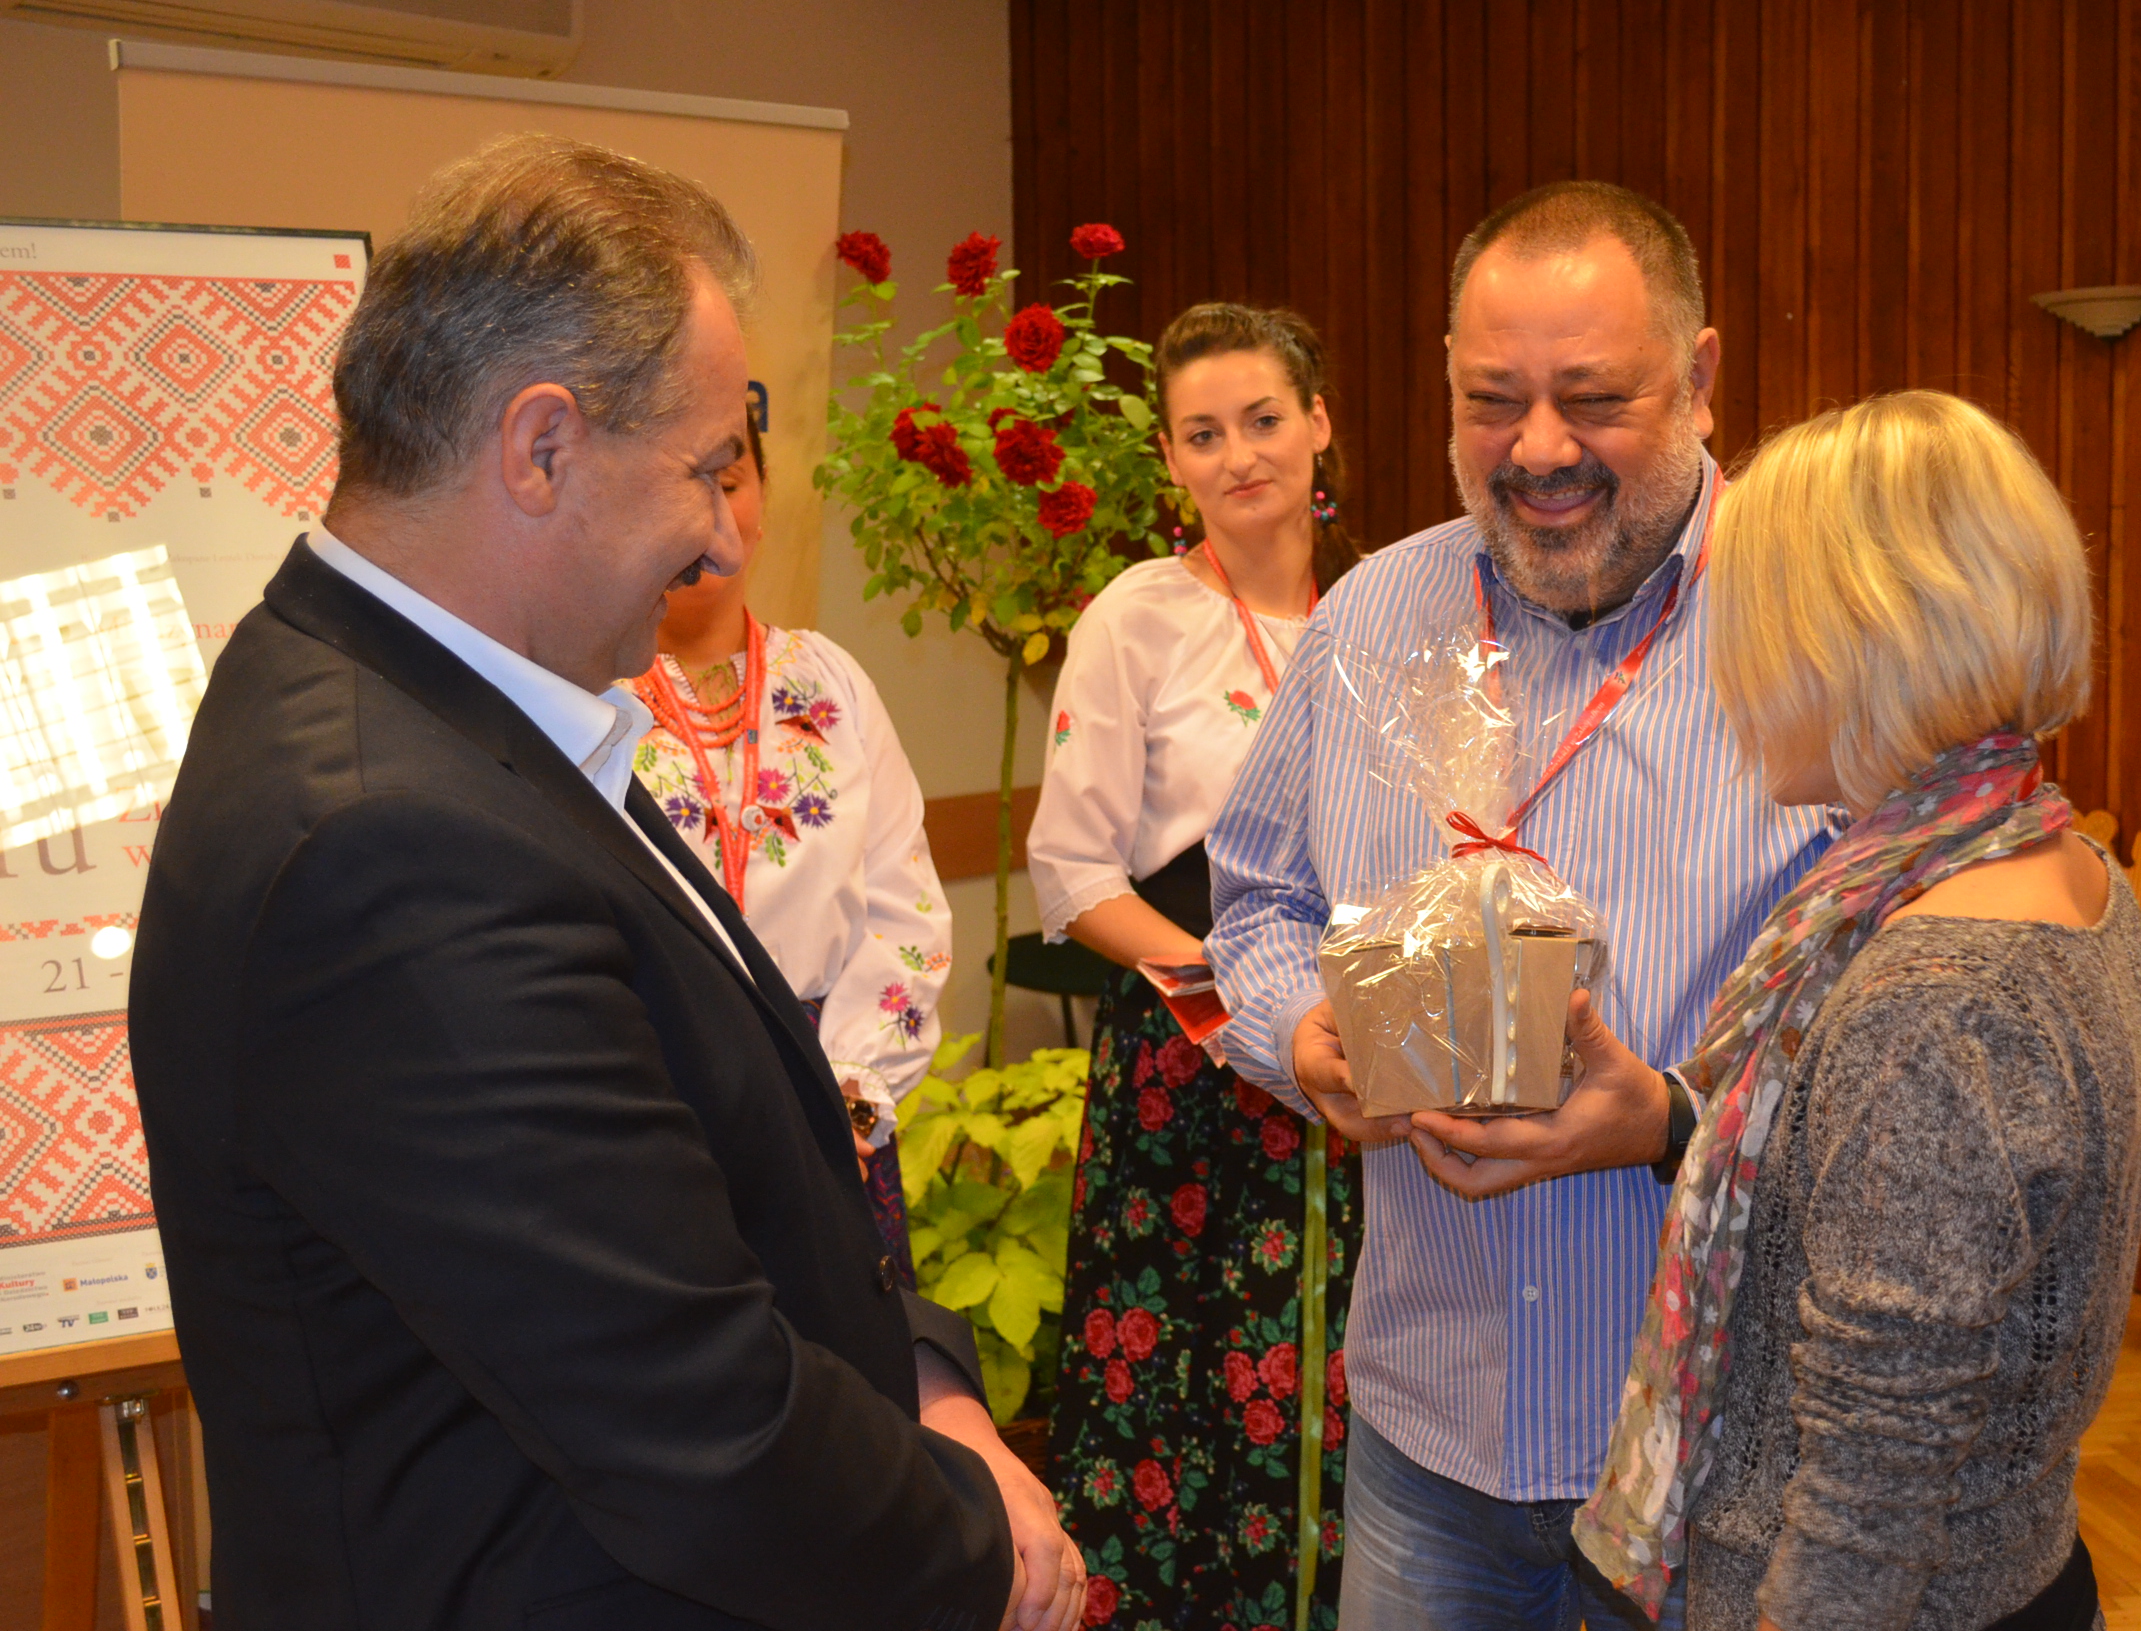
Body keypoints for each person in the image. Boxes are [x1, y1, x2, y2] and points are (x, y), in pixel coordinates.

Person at [128, 134, 1081, 1631]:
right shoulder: (389, 842)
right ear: (541, 448)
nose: (722, 534)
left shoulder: (462, 710)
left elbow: (715, 1168)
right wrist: (983, 1550)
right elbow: (691, 1420)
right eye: (705, 467)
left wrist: (920, 1378)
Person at [1206, 181, 1834, 1631]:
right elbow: (1256, 905)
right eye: (1493, 400)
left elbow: (1901, 1049)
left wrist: (1670, 1119)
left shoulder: (1820, 624)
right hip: (1428, 1446)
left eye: (1593, 398)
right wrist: (1303, 1040)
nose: (1539, 448)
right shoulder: (1369, 620)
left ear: (1703, 376)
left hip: (1720, 1453)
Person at [1549, 391, 2141, 1631]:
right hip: (2016, 1571)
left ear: (1858, 641)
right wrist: (1677, 1121)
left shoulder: (1941, 1000)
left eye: (1750, 633)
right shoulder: (2057, 861)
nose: (1729, 682)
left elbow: (1871, 1490)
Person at [1028, 303, 1366, 1629]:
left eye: (1264, 420)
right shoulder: (1139, 617)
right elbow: (1073, 875)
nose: (1239, 456)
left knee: (1351, 1382)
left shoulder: (1387, 603)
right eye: (1203, 433)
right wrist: (1249, 1004)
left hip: (1369, 1053)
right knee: (1189, 1392)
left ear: (1319, 422)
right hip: (1196, 1054)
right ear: (1170, 458)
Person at [621, 406, 949, 1281]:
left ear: (762, 496)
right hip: (654, 1107)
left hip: (830, 1096)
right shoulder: (583, 693)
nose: (706, 516)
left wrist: (848, 1099)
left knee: (845, 1350)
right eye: (670, 487)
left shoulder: (830, 679)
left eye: (728, 483)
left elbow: (906, 909)